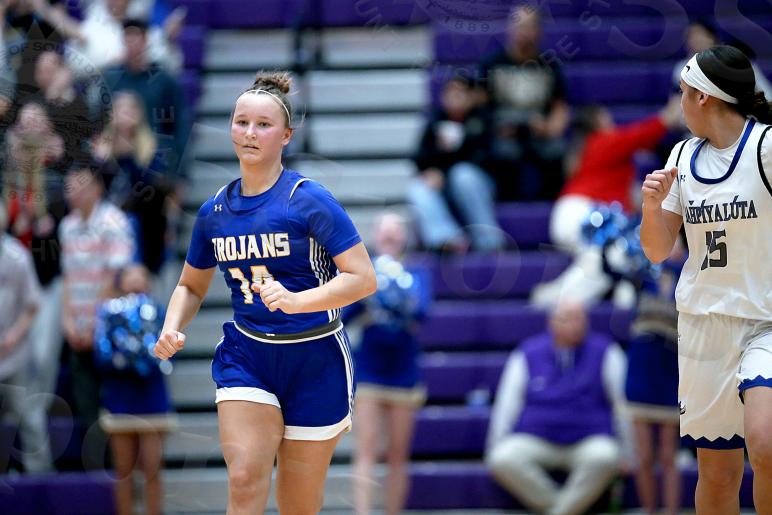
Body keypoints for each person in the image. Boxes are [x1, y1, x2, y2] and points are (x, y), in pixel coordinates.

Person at [152, 72, 376, 514]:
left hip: (316, 357)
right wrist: (171, 326)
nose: (250, 133)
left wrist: (297, 301)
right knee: (244, 480)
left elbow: (363, 278)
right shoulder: (214, 211)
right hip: (248, 355)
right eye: (241, 122)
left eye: (263, 125)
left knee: (298, 504)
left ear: (286, 135)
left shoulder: (308, 199)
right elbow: (190, 285)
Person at [641, 45, 772, 514]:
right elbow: (657, 250)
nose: (678, 103)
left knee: (766, 443)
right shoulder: (681, 155)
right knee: (717, 475)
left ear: (704, 97)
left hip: (765, 321)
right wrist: (650, 206)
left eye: (682, 92)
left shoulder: (766, 147)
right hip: (704, 325)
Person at [530, 99, 681, 307]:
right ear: (598, 122)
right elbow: (640, 135)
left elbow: (630, 198)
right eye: (607, 119)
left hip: (574, 213)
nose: (612, 123)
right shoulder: (602, 141)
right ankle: (555, 301)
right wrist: (668, 116)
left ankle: (619, 301)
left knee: (611, 258)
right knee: (612, 258)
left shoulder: (587, 148)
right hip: (584, 213)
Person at [485, 302, 629, 515]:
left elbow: (622, 405)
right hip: (537, 438)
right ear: (552, 322)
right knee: (501, 458)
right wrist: (495, 444)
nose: (576, 325)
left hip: (589, 439)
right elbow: (506, 405)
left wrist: (628, 452)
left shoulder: (606, 351)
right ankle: (562, 509)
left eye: (580, 319)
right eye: (568, 319)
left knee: (606, 456)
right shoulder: (527, 353)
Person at [348, 213, 432, 515]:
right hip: (370, 369)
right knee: (366, 449)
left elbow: (422, 311)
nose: (390, 236)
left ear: (404, 237)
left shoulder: (418, 272)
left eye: (396, 230)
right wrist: (374, 289)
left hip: (403, 370)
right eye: (385, 231)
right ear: (375, 236)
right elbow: (345, 313)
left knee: (397, 454)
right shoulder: (363, 271)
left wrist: (391, 291)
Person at [60, 160, 135, 468]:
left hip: (108, 329)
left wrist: (94, 324)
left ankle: (122, 472)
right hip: (77, 330)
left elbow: (113, 279)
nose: (72, 192)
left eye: (79, 185)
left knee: (114, 404)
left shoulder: (113, 221)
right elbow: (67, 279)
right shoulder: (67, 226)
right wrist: (67, 323)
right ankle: (97, 472)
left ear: (96, 188)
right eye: (68, 186)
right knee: (86, 405)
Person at [95, 263, 176, 515]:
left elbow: (169, 349)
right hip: (121, 395)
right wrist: (125, 357)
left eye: (141, 275)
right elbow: (101, 354)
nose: (136, 280)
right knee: (124, 470)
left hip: (152, 395)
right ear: (120, 281)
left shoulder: (158, 310)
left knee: (153, 468)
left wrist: (148, 357)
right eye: (130, 275)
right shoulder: (108, 312)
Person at [479, 4, 570, 200]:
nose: (523, 31)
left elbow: (560, 107)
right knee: (504, 152)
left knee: (557, 150)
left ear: (538, 31)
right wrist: (496, 127)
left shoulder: (550, 65)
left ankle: (550, 204)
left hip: (539, 131)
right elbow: (480, 106)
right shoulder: (492, 63)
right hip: (504, 131)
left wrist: (549, 128)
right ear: (509, 28)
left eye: (528, 26)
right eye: (518, 25)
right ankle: (506, 205)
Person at [409, 76, 504, 252]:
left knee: (463, 175)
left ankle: (489, 239)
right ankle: (447, 239)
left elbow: (489, 159)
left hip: (478, 184)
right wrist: (431, 172)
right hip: (444, 187)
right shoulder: (436, 121)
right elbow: (419, 158)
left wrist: (448, 164)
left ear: (470, 97)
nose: (454, 98)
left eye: (459, 93)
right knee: (418, 187)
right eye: (450, 94)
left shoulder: (482, 119)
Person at [625, 246, 685, 515]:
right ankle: (649, 510)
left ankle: (671, 512)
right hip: (641, 368)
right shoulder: (643, 272)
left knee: (669, 455)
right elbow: (614, 272)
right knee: (644, 455)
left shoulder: (687, 272)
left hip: (671, 368)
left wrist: (675, 264)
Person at [0, 200, 53, 474]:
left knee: (30, 415)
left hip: (15, 352)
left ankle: (40, 474)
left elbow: (33, 305)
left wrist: (13, 336)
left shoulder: (17, 256)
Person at [94, 90, 172, 275]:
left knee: (135, 218)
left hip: (140, 212)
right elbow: (98, 185)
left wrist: (128, 154)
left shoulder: (151, 145)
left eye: (130, 110)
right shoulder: (102, 145)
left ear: (139, 115)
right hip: (106, 209)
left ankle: (142, 271)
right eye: (120, 110)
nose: (125, 115)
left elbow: (147, 187)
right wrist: (100, 161)